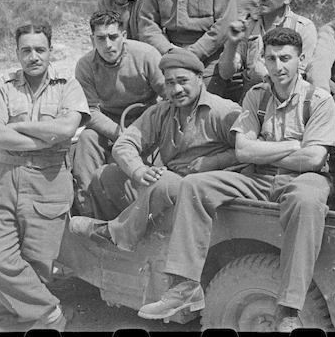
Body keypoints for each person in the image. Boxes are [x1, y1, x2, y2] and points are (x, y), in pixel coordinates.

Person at [137, 28, 335, 332]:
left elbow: (313, 159)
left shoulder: (319, 100)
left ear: (301, 60)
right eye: (271, 58)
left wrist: (264, 152)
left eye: (286, 58)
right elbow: (243, 149)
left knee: (306, 201)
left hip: (305, 179)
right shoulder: (256, 95)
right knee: (195, 185)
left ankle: (289, 308)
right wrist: (292, 146)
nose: (278, 66)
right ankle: (185, 285)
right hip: (258, 178)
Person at [0, 23, 90, 331]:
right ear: (17, 53)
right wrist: (42, 140)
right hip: (4, 178)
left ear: (50, 51)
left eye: (40, 49)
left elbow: (67, 130)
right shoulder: (3, 85)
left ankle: (25, 317)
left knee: (37, 266)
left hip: (48, 180)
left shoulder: (68, 86)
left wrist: (16, 127)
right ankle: (51, 314)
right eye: (26, 50)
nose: (33, 56)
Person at [68, 47, 242, 249]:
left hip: (208, 193)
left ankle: (115, 232)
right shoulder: (163, 111)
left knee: (163, 181)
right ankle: (123, 246)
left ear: (200, 78)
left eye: (183, 81)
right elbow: (125, 144)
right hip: (170, 190)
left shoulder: (223, 111)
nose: (176, 90)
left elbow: (250, 152)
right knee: (106, 176)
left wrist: (214, 162)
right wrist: (139, 170)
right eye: (170, 83)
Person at [72, 10, 165, 216]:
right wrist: (119, 133)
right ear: (92, 39)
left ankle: (155, 208)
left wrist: (145, 130)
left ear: (123, 35)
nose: (108, 45)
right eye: (101, 38)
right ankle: (87, 211)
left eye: (113, 37)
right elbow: (91, 111)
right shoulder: (85, 66)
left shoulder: (146, 55)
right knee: (87, 139)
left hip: (147, 121)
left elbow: (168, 97)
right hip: (110, 123)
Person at [218, 0, 317, 100]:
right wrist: (232, 43)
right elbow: (225, 73)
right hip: (253, 103)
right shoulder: (249, 26)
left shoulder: (302, 28)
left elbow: (303, 75)